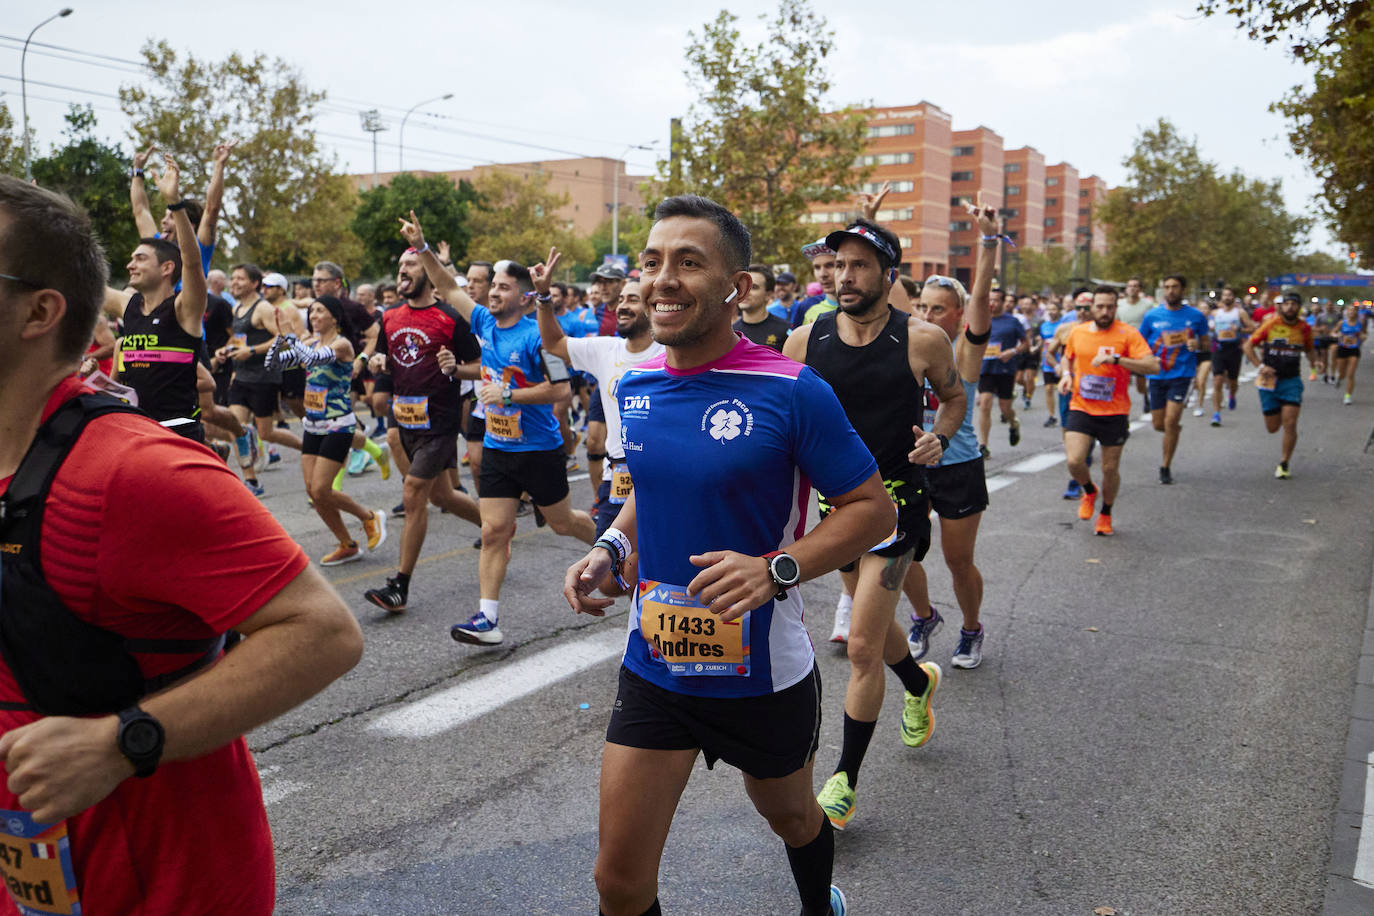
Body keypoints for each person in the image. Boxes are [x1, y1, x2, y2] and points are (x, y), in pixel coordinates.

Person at [0, 173, 362, 915]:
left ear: (40, 311)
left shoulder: (134, 474)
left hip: (154, 879)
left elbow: (324, 634)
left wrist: (122, 744)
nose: (138, 266)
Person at [564, 194, 890, 916]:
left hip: (762, 676)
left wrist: (777, 569)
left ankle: (817, 906)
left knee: (793, 818)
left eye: (689, 262)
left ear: (735, 288)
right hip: (656, 665)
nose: (663, 279)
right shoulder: (637, 383)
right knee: (617, 881)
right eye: (652, 262)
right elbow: (648, 488)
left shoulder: (791, 390)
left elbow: (874, 510)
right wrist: (613, 546)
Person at [783, 218, 966, 832]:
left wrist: (939, 437)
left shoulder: (922, 339)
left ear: (888, 274)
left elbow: (955, 397)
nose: (844, 276)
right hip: (839, 508)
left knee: (862, 644)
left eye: (858, 265)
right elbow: (780, 412)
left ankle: (844, 782)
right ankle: (918, 682)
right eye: (837, 266)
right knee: (874, 621)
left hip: (897, 503)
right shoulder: (807, 340)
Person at [396, 214, 596, 644]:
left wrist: (508, 397)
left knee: (562, 523)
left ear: (525, 297)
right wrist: (424, 246)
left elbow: (560, 390)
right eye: (493, 286)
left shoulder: (539, 336)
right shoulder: (485, 322)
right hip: (499, 448)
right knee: (493, 531)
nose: (492, 292)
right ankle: (487, 619)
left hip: (539, 449)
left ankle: (617, 546)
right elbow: (448, 288)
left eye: (503, 287)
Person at [903, 196, 1000, 671]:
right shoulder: (907, 341)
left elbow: (980, 297)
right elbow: (889, 288)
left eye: (939, 308)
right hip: (911, 464)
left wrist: (987, 242)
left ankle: (971, 628)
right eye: (923, 305)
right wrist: (872, 228)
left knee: (958, 560)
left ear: (958, 316)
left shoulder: (964, 352)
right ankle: (924, 616)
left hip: (958, 466)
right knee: (900, 552)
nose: (927, 313)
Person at [362, 242, 483, 613]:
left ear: (428, 273)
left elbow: (481, 366)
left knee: (414, 491)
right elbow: (385, 358)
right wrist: (377, 368)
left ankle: (399, 585)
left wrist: (455, 368)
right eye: (400, 263)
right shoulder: (390, 316)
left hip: (440, 421)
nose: (402, 270)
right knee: (441, 496)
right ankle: (497, 527)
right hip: (404, 415)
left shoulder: (451, 317)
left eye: (411, 264)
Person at [537, 276, 664, 545]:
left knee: (650, 557)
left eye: (632, 299)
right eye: (620, 300)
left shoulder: (670, 353)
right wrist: (543, 298)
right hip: (618, 472)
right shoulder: (606, 348)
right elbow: (553, 343)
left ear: (652, 307)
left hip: (661, 474)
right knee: (610, 577)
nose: (622, 306)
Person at [266, 296, 388, 565]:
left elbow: (311, 358)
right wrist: (279, 339)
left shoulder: (342, 345)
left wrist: (291, 334)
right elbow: (273, 364)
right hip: (313, 424)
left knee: (322, 489)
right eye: (311, 312)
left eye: (320, 311)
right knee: (313, 491)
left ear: (335, 317)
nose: (313, 316)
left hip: (338, 425)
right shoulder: (310, 342)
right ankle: (348, 544)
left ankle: (369, 517)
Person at [112, 155, 209, 443]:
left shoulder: (191, 256)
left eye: (139, 258)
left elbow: (191, 263)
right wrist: (137, 172)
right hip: (142, 426)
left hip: (182, 327)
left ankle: (221, 444)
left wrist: (176, 202)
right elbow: (140, 209)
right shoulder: (152, 247)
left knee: (210, 404)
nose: (131, 264)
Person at [1056, 287, 1161, 535]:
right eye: (1100, 306)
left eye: (1110, 307)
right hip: (1081, 406)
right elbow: (1066, 357)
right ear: (1092, 307)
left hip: (1114, 411)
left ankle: (1105, 513)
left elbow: (1152, 366)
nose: (1105, 312)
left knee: (1109, 469)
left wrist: (1118, 360)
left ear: (1116, 307)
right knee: (1074, 460)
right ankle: (1089, 490)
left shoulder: (1128, 334)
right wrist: (1067, 376)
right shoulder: (1077, 332)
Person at [1139, 275, 1209, 484]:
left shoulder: (1196, 316)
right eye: (1167, 287)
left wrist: (1197, 345)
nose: (1170, 291)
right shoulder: (1152, 316)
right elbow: (1140, 343)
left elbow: (1206, 344)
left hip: (1182, 375)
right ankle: (1173, 430)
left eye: (1175, 287)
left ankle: (1165, 466)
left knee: (1170, 421)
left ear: (1183, 290)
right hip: (1157, 374)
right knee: (1159, 424)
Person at [1243, 292, 1317, 479]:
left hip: (1291, 380)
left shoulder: (1304, 328)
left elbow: (1309, 349)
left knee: (1290, 423)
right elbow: (1247, 346)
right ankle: (1283, 458)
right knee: (1273, 427)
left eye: (1294, 304)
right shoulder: (1270, 324)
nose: (1290, 307)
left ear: (1299, 307)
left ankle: (1284, 463)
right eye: (1287, 304)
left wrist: (1316, 363)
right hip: (1269, 381)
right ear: (1281, 307)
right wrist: (1260, 366)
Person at [976, 287, 1026, 456]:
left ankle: (1013, 423)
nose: (992, 303)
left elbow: (1026, 343)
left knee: (1005, 409)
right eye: (989, 299)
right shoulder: (981, 320)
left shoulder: (1012, 321)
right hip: (986, 368)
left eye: (996, 300)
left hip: (1005, 369)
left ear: (1003, 302)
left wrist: (1011, 352)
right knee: (985, 404)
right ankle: (983, 445)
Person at [1208, 286, 1255, 425]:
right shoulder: (1215, 313)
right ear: (1221, 298)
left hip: (1234, 349)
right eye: (1225, 295)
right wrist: (1211, 328)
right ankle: (1216, 413)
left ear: (1233, 297)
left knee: (1233, 381)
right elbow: (1209, 326)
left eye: (1230, 295)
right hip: (1218, 348)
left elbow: (1252, 328)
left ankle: (1232, 394)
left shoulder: (1240, 313)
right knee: (1217, 380)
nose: (1227, 297)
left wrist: (1240, 329)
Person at [733, 263, 790, 351]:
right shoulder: (730, 332)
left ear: (768, 295)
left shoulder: (785, 330)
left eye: (754, 287)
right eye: (741, 286)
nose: (745, 292)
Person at [790, 238, 838, 329]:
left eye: (830, 265)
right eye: (817, 267)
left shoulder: (863, 306)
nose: (823, 274)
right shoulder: (806, 306)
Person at [1335, 302, 1364, 404]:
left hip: (1354, 350)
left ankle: (1347, 396)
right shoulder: (1341, 323)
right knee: (1342, 374)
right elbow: (1333, 332)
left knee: (1351, 375)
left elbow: (1363, 334)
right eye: (1350, 310)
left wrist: (1362, 337)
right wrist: (1339, 335)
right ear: (1346, 312)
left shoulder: (1360, 323)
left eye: (1354, 310)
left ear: (1356, 312)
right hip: (1343, 349)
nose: (1352, 312)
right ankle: (1339, 378)